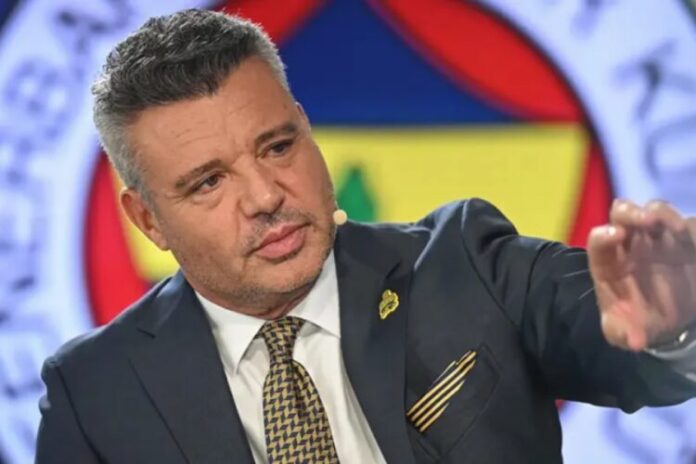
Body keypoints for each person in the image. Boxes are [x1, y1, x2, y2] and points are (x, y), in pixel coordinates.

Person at [35, 9, 696, 464]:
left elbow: (614, 340)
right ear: (148, 219)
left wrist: (673, 326)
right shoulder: (95, 392)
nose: (266, 196)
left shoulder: (463, 264)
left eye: (278, 146)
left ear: (306, 128)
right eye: (209, 182)